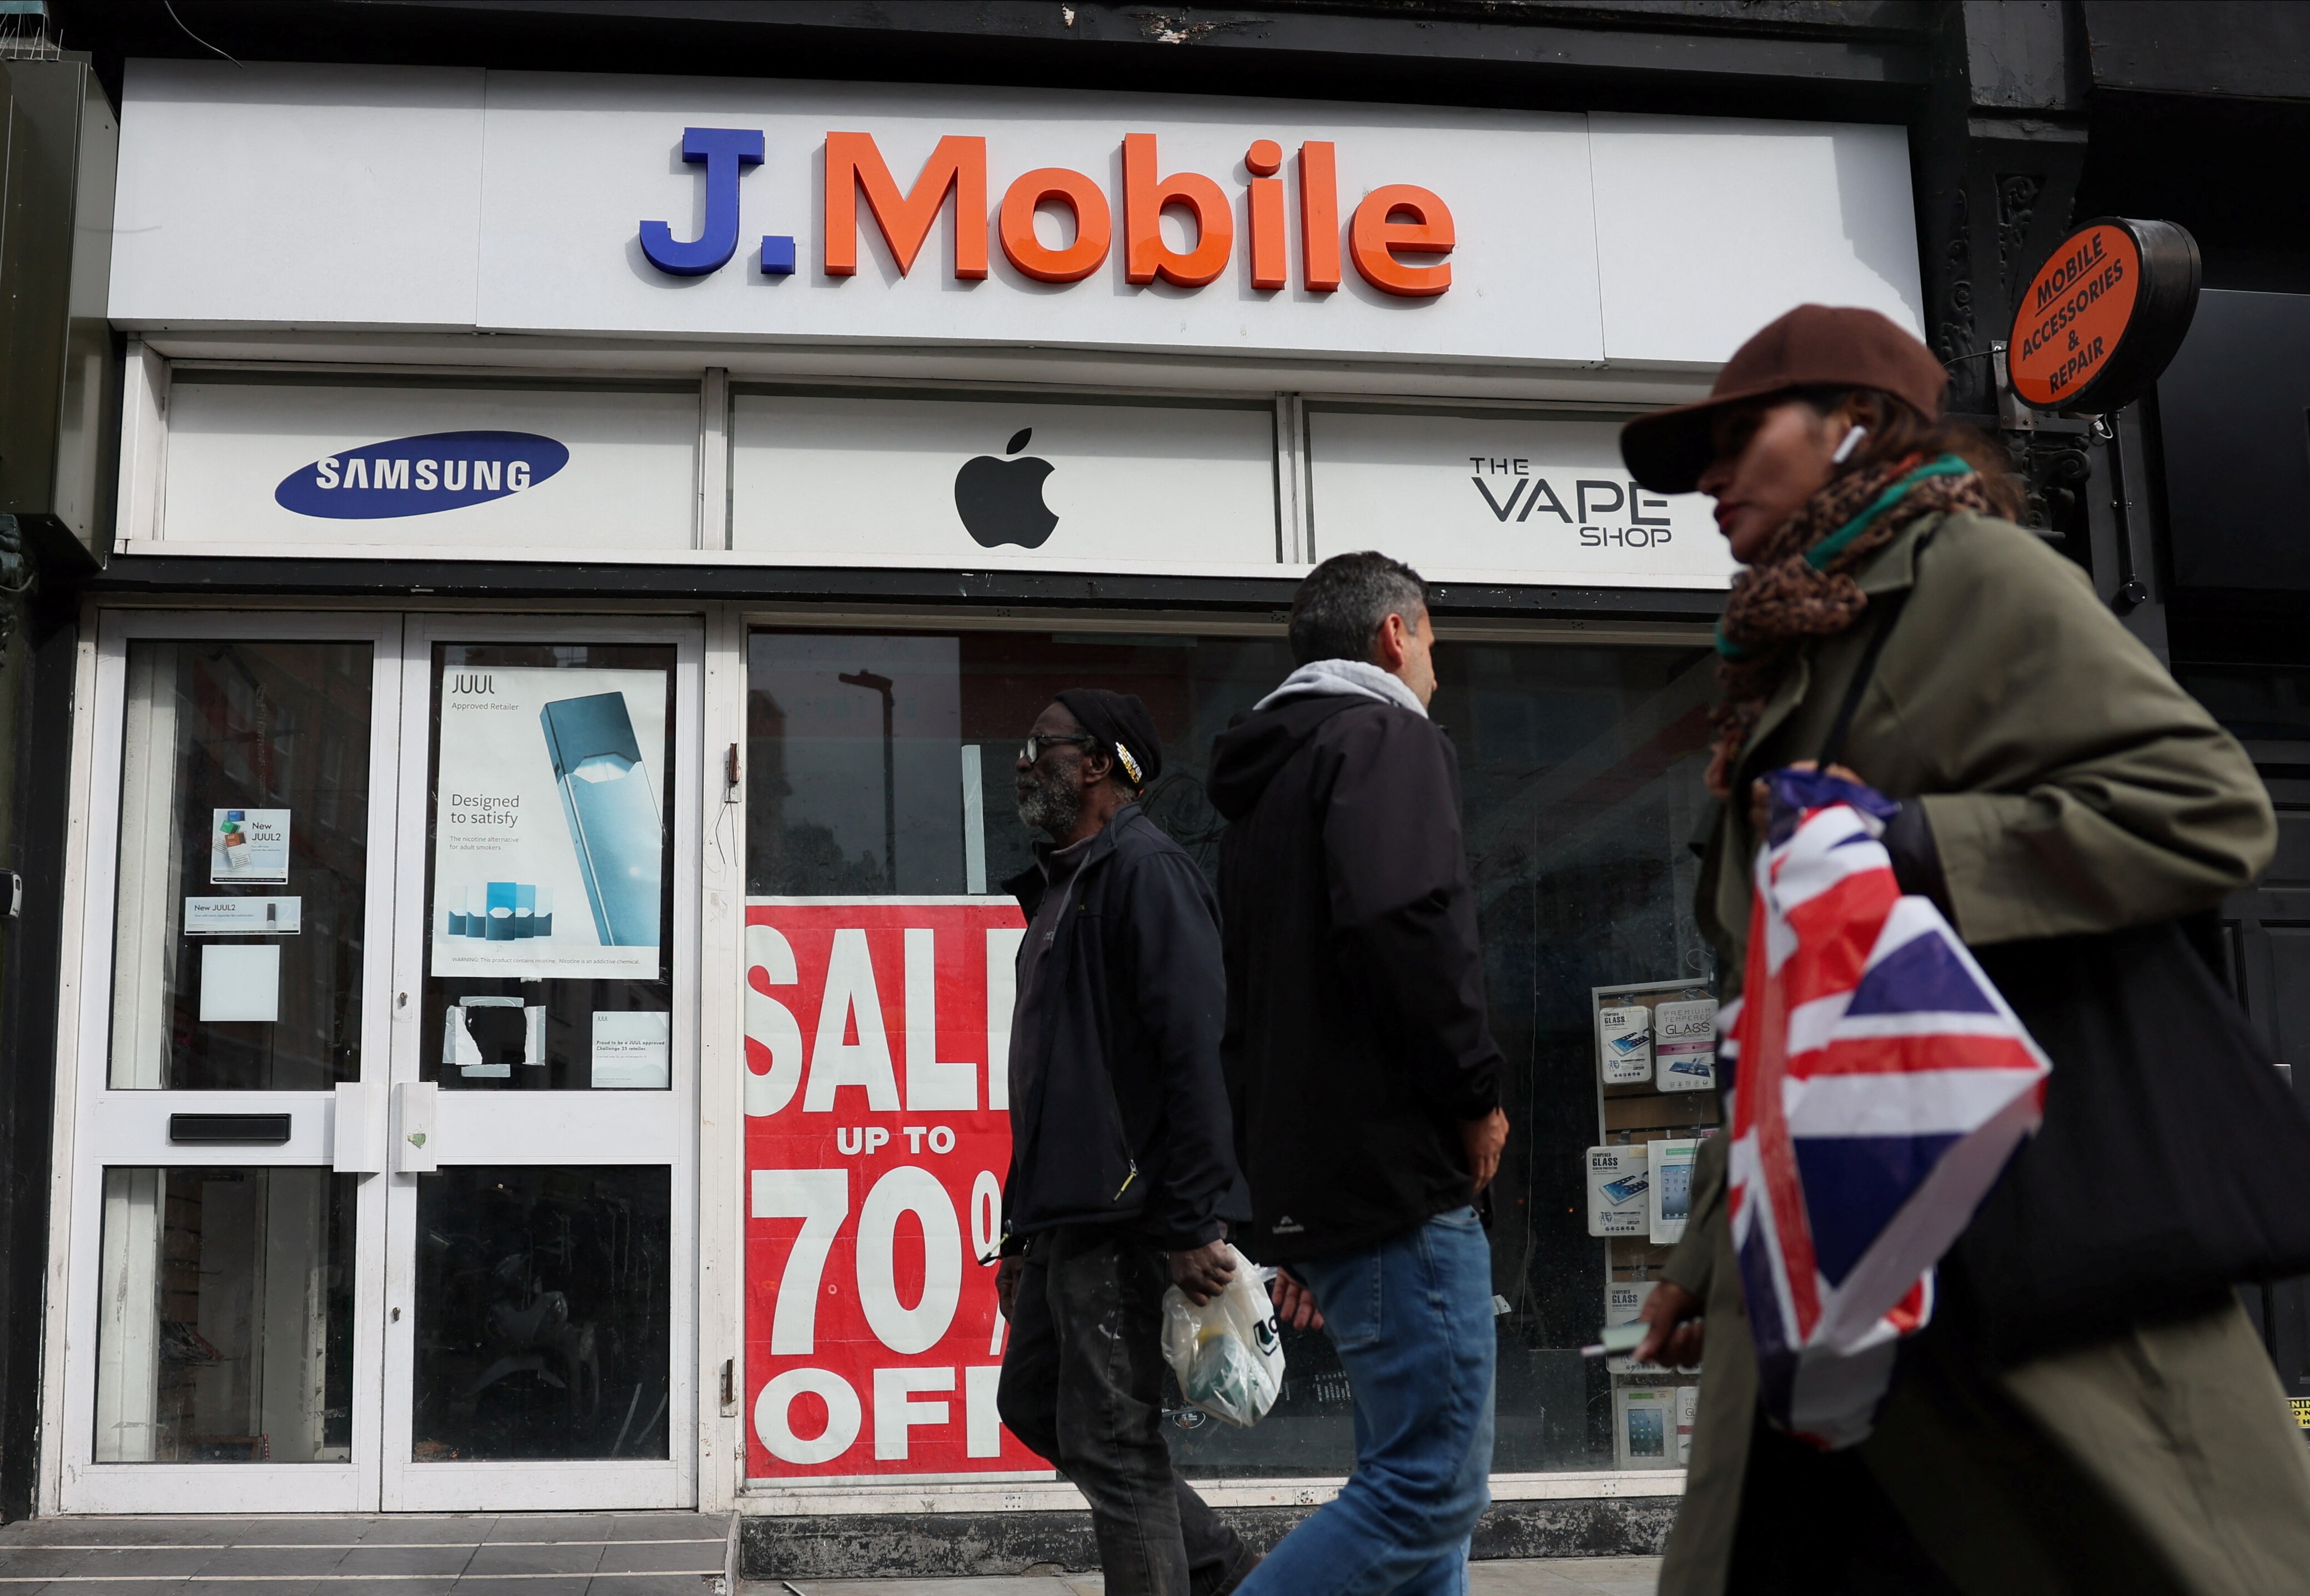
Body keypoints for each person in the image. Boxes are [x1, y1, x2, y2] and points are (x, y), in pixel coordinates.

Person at [1618, 303, 2310, 1594]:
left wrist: (1922, 845)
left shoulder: (1972, 577)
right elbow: (1772, 1012)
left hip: (2000, 1243)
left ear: (1852, 428)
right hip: (1838, 1271)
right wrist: (1707, 1254)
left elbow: (2205, 807)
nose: (1707, 479)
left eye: (1735, 436)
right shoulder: (1785, 661)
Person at [1207, 552, 1511, 1596]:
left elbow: (1252, 1007)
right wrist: (1475, 1092)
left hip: (1332, 1186)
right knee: (1430, 1490)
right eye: (1430, 639)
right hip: (1399, 1179)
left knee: (1420, 1504)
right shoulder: (1386, 736)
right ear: (1395, 633)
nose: (1435, 665)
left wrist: (1298, 1209)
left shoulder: (1269, 784)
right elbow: (1409, 923)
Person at [993, 688, 1258, 1596]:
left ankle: (1208, 1575)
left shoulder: (1147, 872)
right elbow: (1049, 1082)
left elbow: (1195, 1051)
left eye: (1043, 745)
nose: (1025, 760)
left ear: (1101, 763)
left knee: (1114, 1440)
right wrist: (1020, 1233)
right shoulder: (1066, 889)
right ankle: (1221, 1570)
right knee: (1034, 1402)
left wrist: (1189, 1219)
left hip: (1129, 1214)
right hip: (1066, 1214)